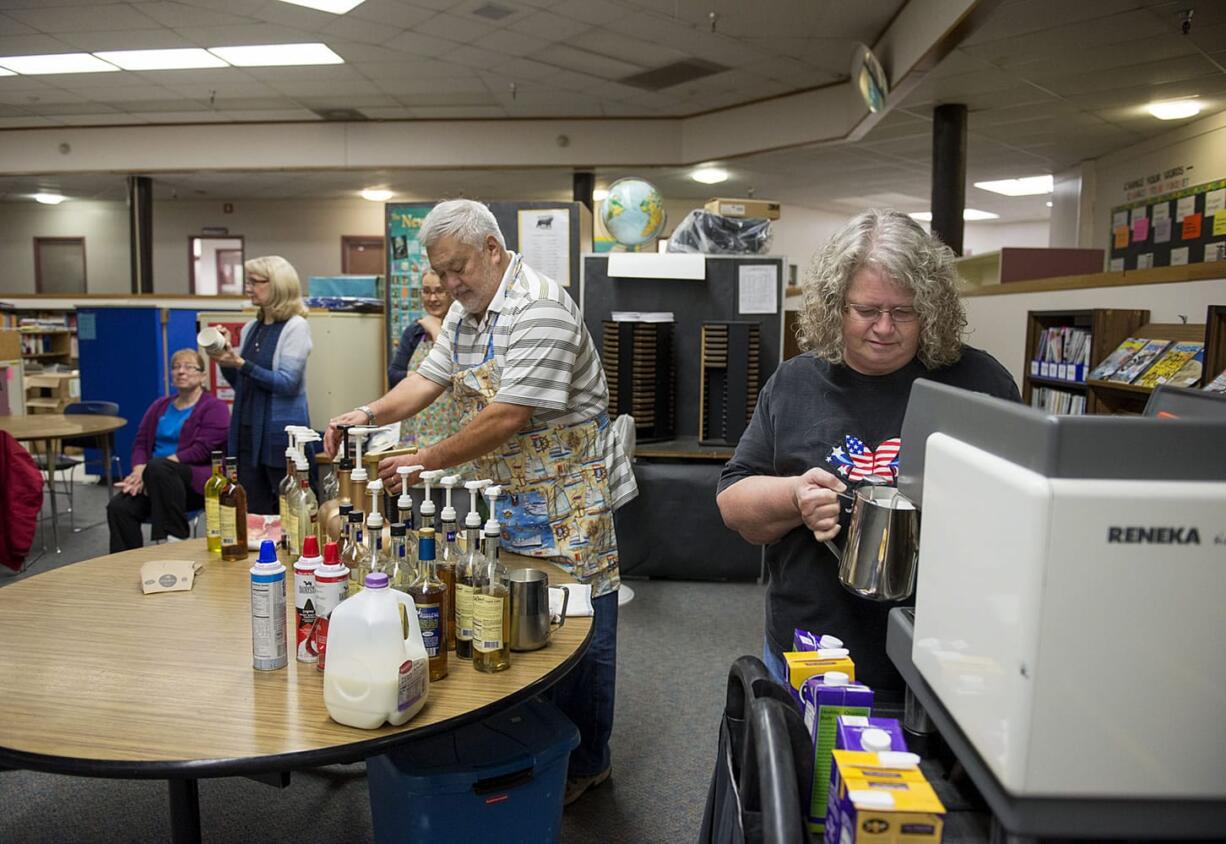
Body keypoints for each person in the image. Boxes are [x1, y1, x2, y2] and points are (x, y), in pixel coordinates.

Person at [324, 199, 636, 804]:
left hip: (566, 494)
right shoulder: (472, 312)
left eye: (457, 267)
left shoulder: (539, 308)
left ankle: (587, 762)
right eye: (440, 272)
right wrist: (365, 414)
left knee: (583, 625)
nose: (447, 284)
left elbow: (505, 417)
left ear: (493, 249)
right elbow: (424, 381)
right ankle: (527, 743)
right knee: (513, 616)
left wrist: (424, 458)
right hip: (506, 492)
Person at [716, 209, 1020, 703]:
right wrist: (794, 495)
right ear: (836, 306)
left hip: (946, 655)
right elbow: (734, 503)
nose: (884, 328)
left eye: (904, 312)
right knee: (800, 777)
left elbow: (1024, 519)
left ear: (932, 308)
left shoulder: (980, 384)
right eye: (867, 310)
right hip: (814, 652)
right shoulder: (795, 384)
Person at [208, 255, 312, 515]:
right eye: (248, 282)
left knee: (287, 513)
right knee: (253, 510)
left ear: (277, 285)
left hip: (279, 437)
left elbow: (287, 383)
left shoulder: (295, 327)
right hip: (247, 432)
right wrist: (225, 359)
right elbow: (242, 385)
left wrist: (242, 363)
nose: (248, 288)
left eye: (255, 282)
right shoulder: (250, 328)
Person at [107, 348, 230, 551]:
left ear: (203, 375)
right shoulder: (159, 406)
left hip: (195, 482)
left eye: (189, 367)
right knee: (119, 507)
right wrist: (139, 470)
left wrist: (150, 471)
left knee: (158, 467)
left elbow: (202, 450)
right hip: (154, 479)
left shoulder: (215, 407)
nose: (181, 371)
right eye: (176, 367)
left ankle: (176, 539)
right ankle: (125, 564)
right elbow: (140, 442)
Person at [387, 270, 465, 452]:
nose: (432, 298)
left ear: (452, 293)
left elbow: (456, 372)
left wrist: (435, 328)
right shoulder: (414, 332)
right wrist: (419, 378)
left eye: (439, 291)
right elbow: (393, 375)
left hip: (453, 433)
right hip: (415, 433)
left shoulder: (463, 329)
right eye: (426, 291)